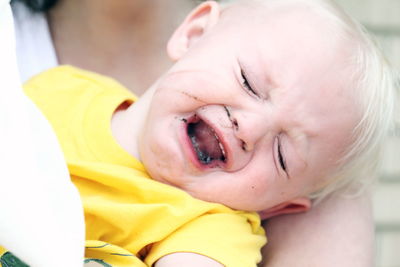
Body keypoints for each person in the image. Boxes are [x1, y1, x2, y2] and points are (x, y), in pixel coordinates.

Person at [5, 0, 395, 266]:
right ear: (193, 34)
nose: (250, 128)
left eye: (280, 154)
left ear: (279, 207)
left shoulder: (208, 228)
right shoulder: (61, 89)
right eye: (248, 82)